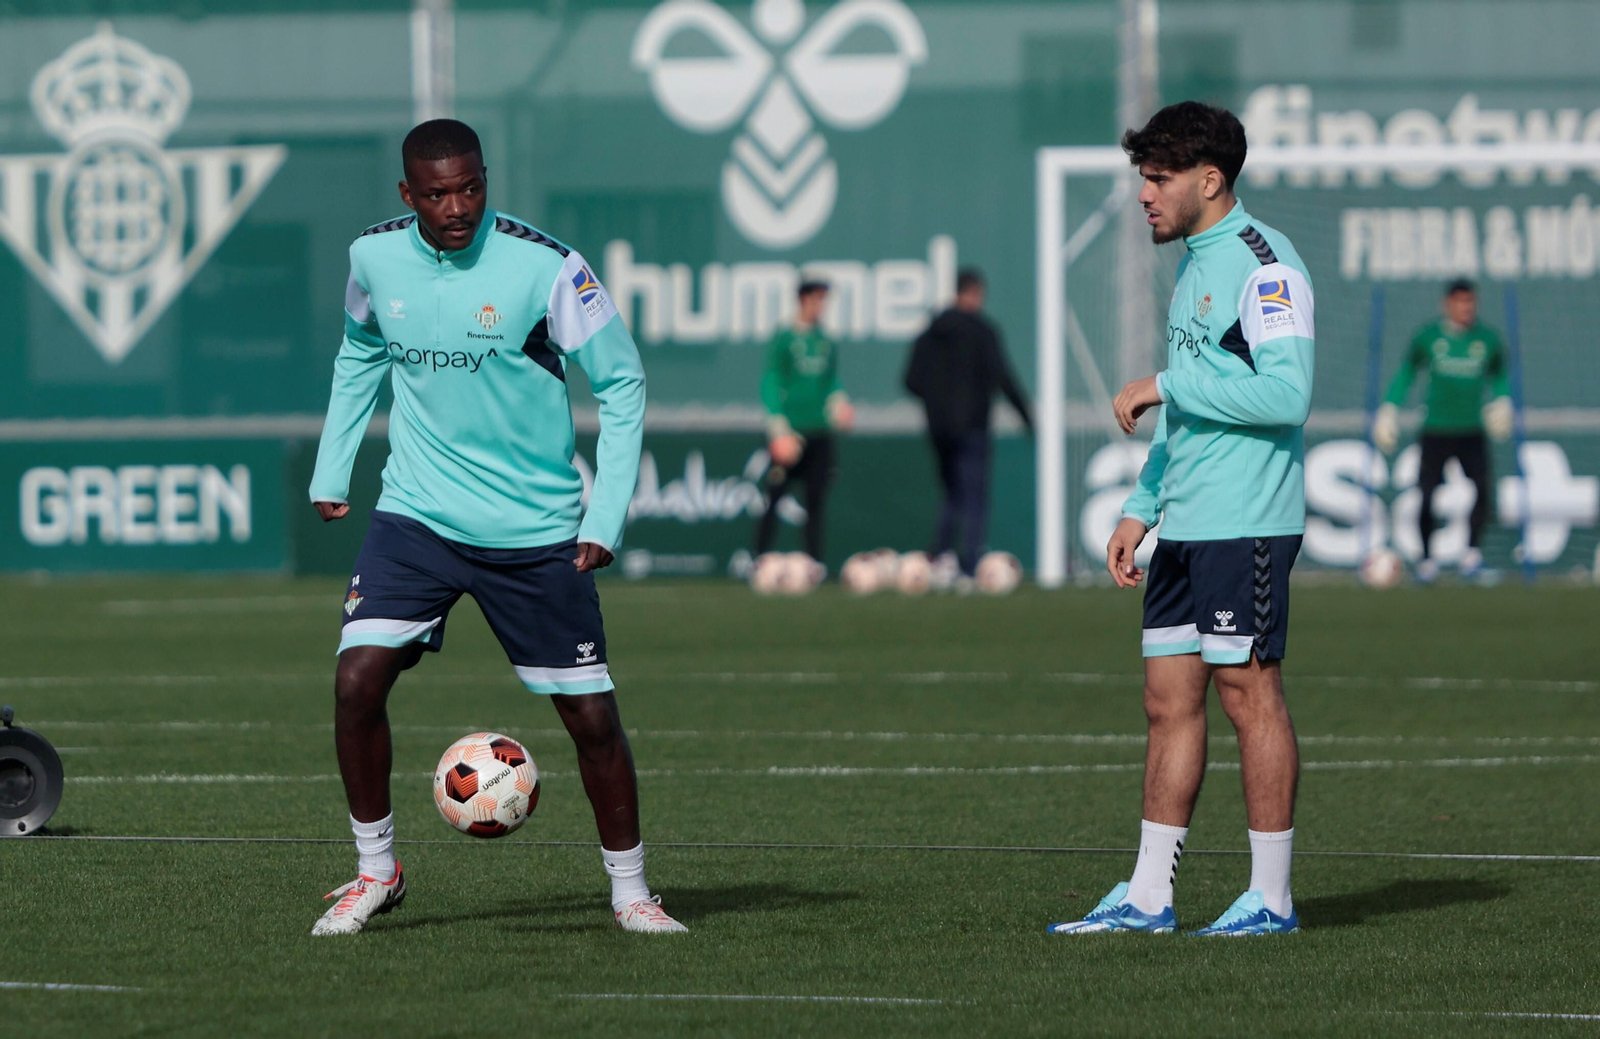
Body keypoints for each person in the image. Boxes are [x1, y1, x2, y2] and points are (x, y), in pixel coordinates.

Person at [306, 119, 686, 936]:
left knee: (591, 719)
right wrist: (334, 467)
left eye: (471, 187)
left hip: (533, 530)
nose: (458, 207)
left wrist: (605, 515)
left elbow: (622, 382)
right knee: (356, 680)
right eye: (438, 193)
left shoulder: (548, 267)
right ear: (407, 195)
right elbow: (360, 349)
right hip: (417, 515)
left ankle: (632, 892)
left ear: (486, 180)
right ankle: (376, 871)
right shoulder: (372, 256)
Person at [1050, 101, 1315, 937]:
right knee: (1167, 700)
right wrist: (1141, 507)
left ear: (1209, 179)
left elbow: (1287, 395)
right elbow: (1194, 410)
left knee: (1248, 693)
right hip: (1187, 523)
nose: (1144, 194)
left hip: (1247, 519)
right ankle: (1147, 897)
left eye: (1158, 178)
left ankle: (1270, 898)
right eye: (1143, 177)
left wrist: (1164, 383)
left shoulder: (1265, 264)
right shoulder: (1195, 264)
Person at [1373, 280, 1512, 582]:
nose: (1466, 308)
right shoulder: (1429, 337)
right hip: (1436, 428)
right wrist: (1389, 408)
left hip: (1471, 429)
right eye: (1460, 302)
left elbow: (1500, 373)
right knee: (1427, 494)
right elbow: (1407, 372)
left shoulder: (1487, 339)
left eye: (1470, 302)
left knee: (1484, 490)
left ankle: (1471, 556)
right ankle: (1426, 561)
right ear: (1447, 304)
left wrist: (1503, 400)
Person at [904, 267, 1032, 582]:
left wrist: (936, 402)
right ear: (975, 293)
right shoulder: (982, 331)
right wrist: (1026, 415)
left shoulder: (931, 332)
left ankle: (941, 556)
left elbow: (911, 380)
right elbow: (1002, 375)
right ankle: (970, 563)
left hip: (939, 427)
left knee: (951, 491)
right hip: (973, 424)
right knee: (974, 494)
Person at [753, 280, 853, 565]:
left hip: (819, 430)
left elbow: (831, 380)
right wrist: (778, 426)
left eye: (824, 300)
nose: (820, 306)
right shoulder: (784, 339)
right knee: (774, 497)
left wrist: (839, 402)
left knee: (816, 500)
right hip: (790, 433)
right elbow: (771, 380)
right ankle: (758, 559)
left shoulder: (825, 340)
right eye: (816, 299)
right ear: (803, 300)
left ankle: (813, 563)